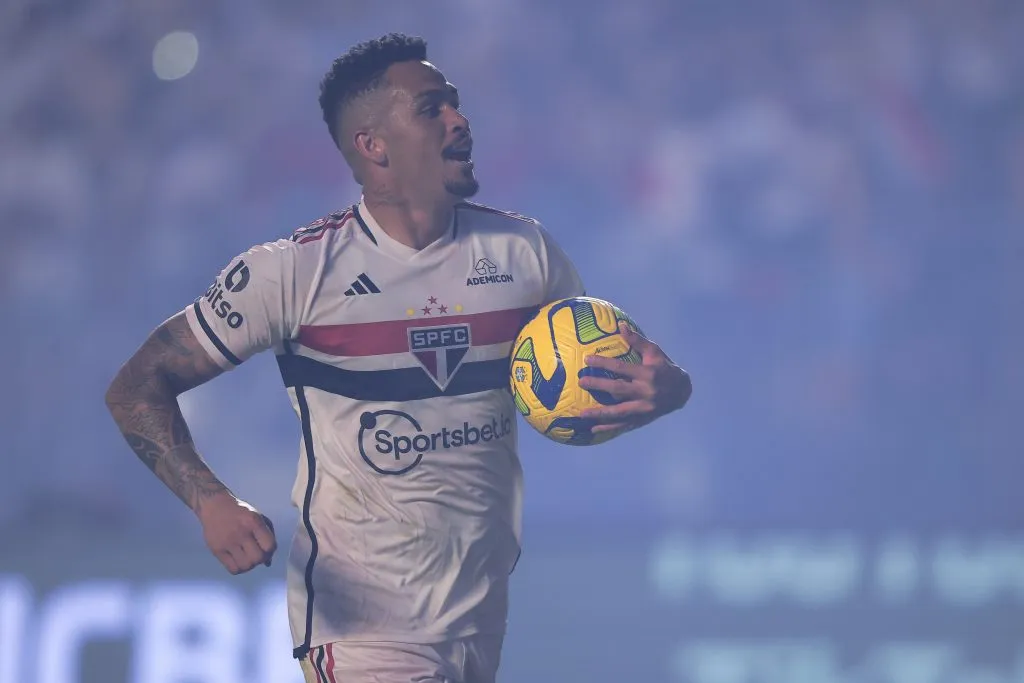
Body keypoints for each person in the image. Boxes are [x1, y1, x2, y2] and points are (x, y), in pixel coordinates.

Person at [105, 33, 691, 683]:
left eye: (457, 104)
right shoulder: (293, 273)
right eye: (432, 108)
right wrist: (209, 499)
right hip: (362, 630)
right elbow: (136, 386)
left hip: (480, 617)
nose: (460, 119)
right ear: (373, 145)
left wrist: (666, 390)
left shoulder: (528, 255)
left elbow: (590, 385)